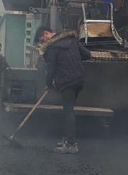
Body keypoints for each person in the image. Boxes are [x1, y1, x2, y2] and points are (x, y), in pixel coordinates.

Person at [38, 26, 92, 154]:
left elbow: (51, 69)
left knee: (68, 112)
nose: (43, 42)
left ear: (46, 34)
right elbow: (87, 55)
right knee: (69, 110)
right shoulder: (72, 41)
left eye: (42, 39)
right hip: (79, 80)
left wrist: (48, 84)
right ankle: (67, 138)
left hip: (67, 81)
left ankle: (71, 144)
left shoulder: (52, 48)